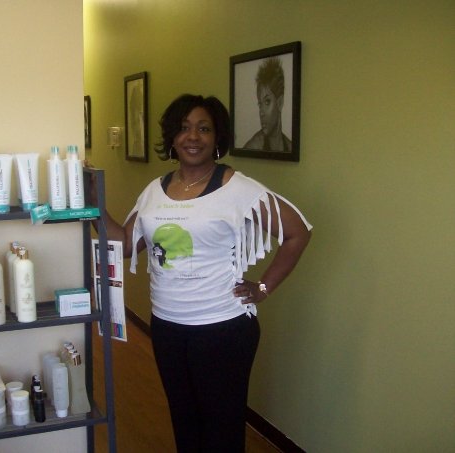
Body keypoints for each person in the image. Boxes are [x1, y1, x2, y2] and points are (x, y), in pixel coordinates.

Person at [95, 94, 312, 452]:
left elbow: (297, 232)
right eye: (183, 128)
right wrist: (94, 202)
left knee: (222, 431)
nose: (192, 137)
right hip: (167, 326)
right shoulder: (154, 191)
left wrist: (262, 287)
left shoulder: (238, 188)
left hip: (222, 329)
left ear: (217, 137)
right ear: (172, 137)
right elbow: (126, 244)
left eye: (204, 128)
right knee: (185, 423)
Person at [244, 57, 292, 152]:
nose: (261, 113)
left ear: (280, 102)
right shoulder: (253, 147)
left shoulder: (290, 147)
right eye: (260, 104)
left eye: (267, 102)